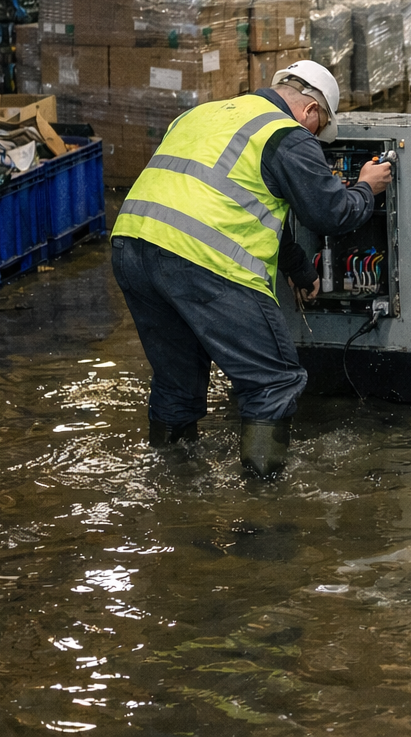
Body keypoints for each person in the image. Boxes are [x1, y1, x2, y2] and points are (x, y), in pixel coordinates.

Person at [109, 60, 392, 478]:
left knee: (177, 382)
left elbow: (232, 199)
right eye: (318, 132)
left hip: (133, 247)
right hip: (201, 259)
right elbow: (331, 213)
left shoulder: (201, 114)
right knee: (273, 382)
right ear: (311, 112)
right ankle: (265, 506)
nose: (314, 140)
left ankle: (172, 489)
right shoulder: (286, 134)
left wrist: (298, 268)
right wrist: (367, 187)